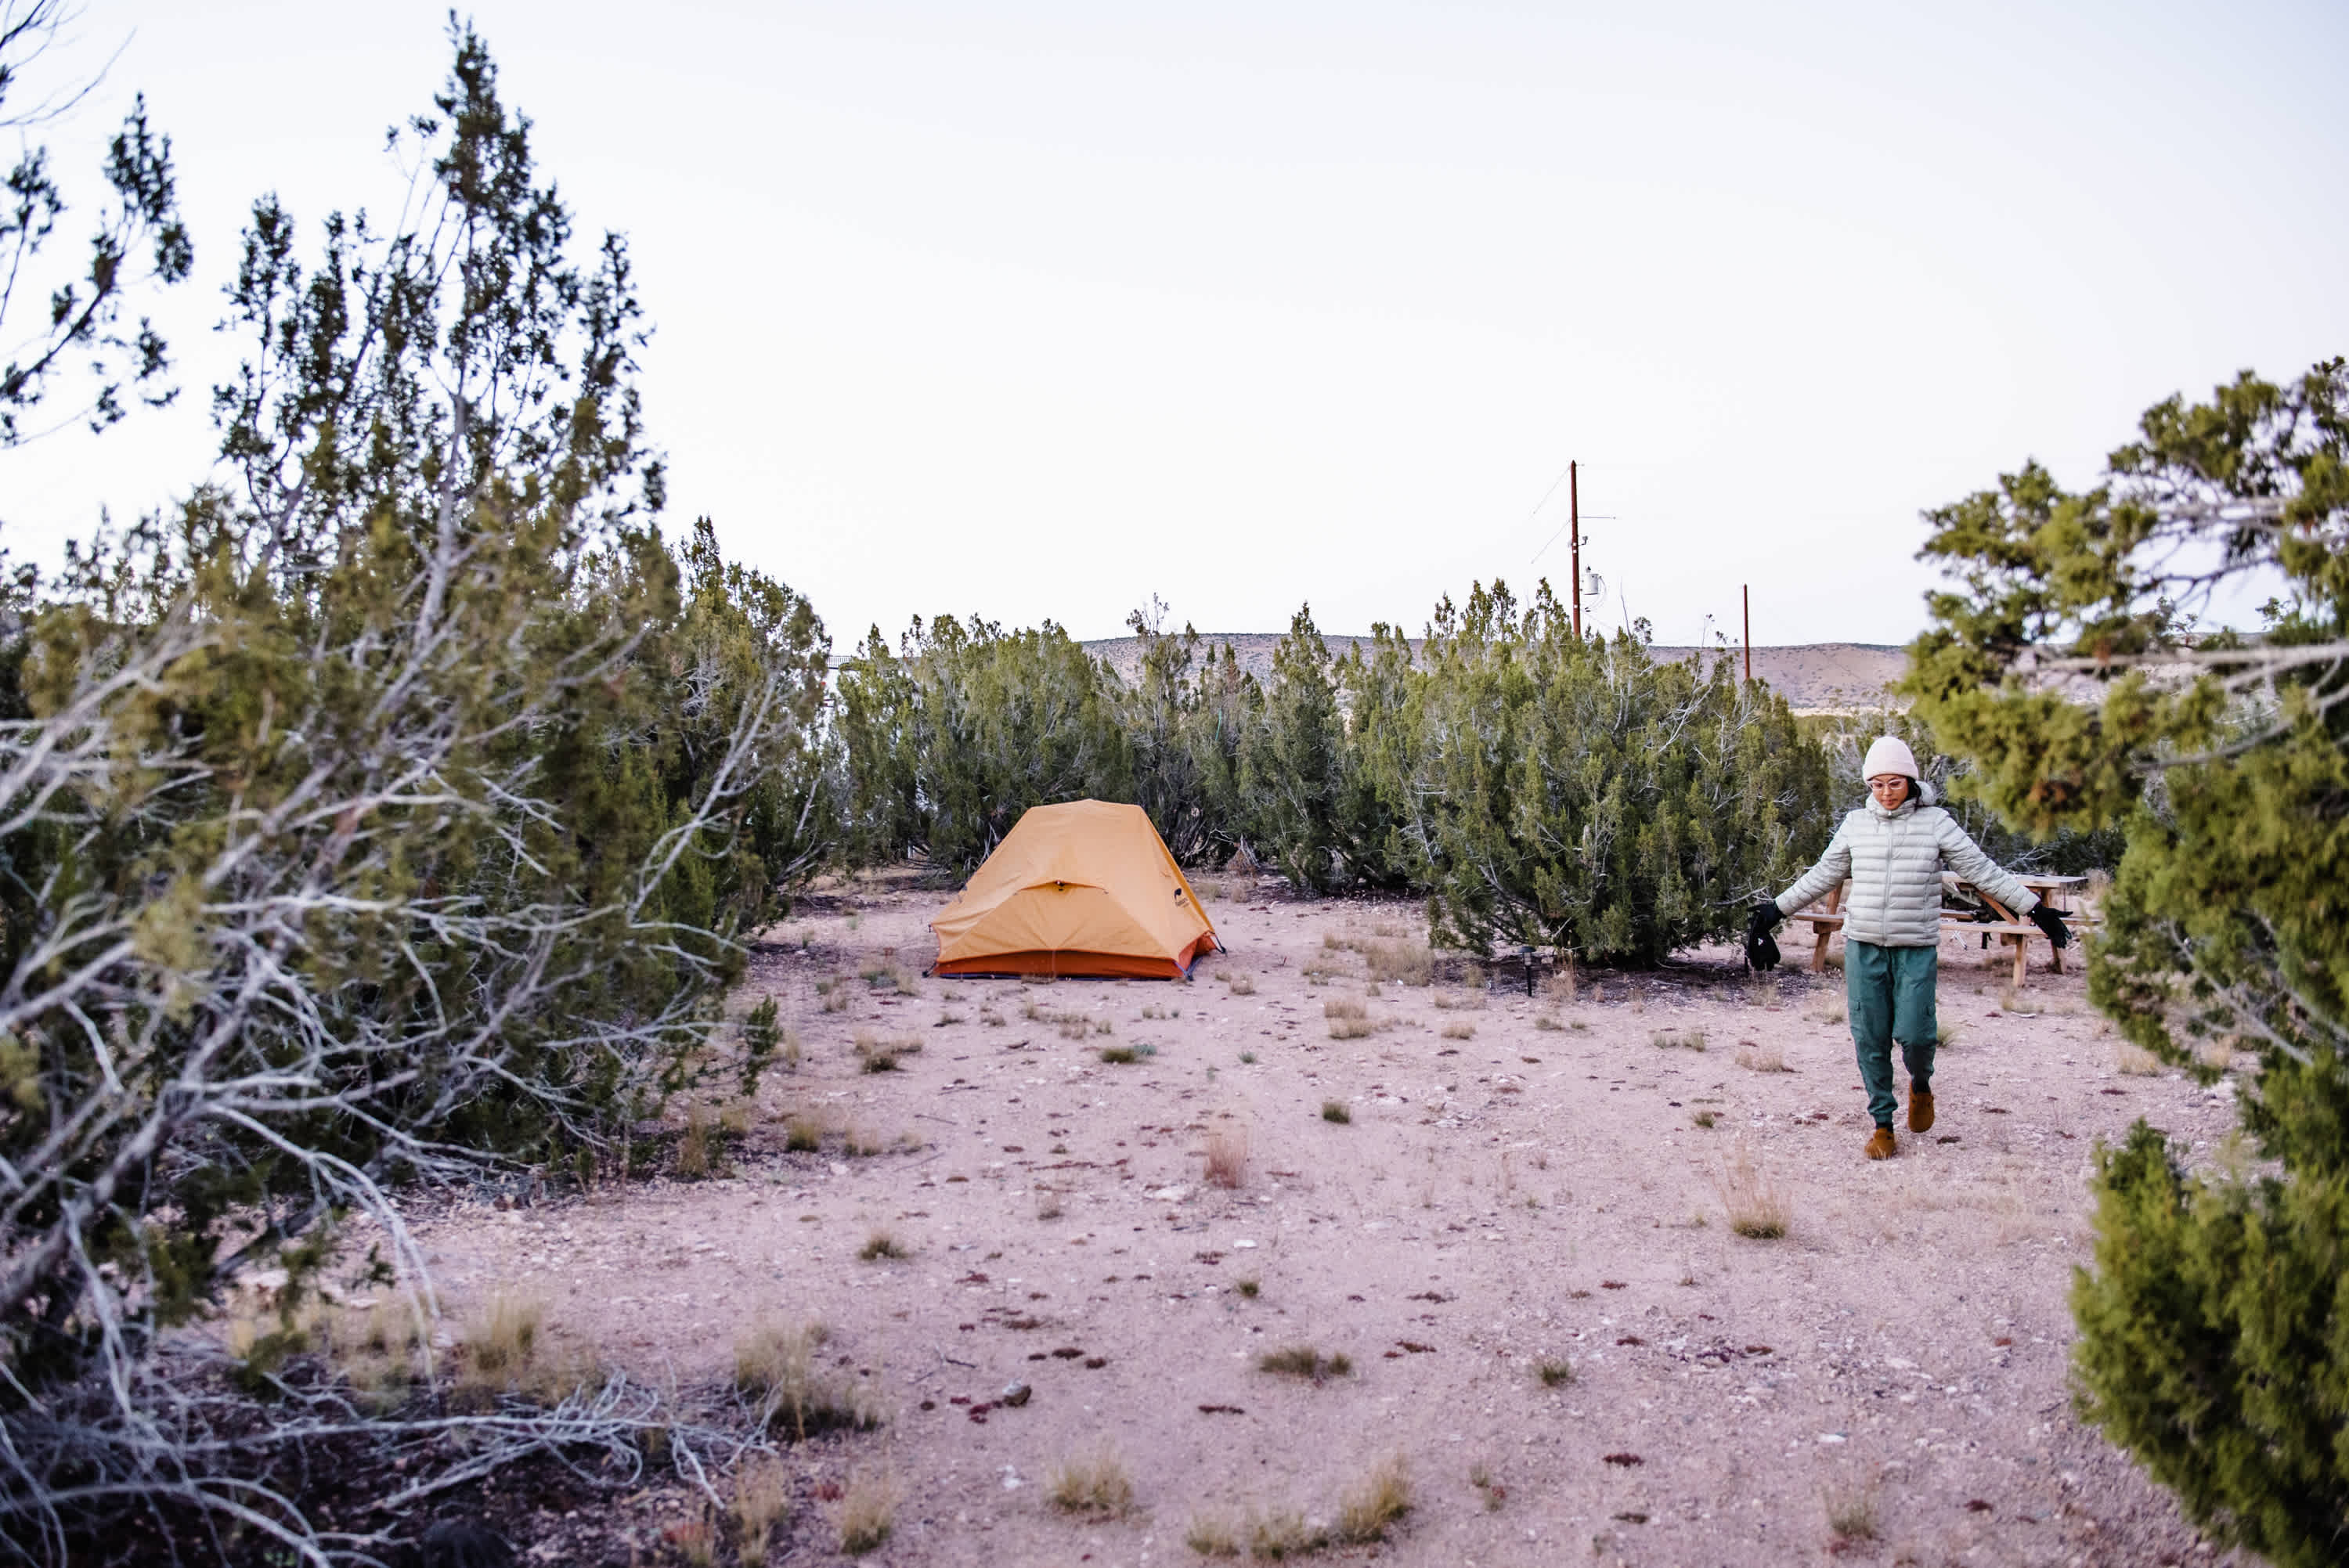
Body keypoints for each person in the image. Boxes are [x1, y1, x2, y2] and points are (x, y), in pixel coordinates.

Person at [1748, 736, 2069, 1159]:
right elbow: (1823, 875)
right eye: (1877, 784)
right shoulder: (1855, 825)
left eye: (1895, 783)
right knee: (1870, 1036)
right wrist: (1775, 910)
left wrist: (2034, 909)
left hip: (1915, 947)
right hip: (1864, 946)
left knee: (1916, 1036)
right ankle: (1883, 1124)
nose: (1886, 793)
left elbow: (1981, 871)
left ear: (1911, 782)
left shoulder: (1936, 823)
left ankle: (1921, 1084)